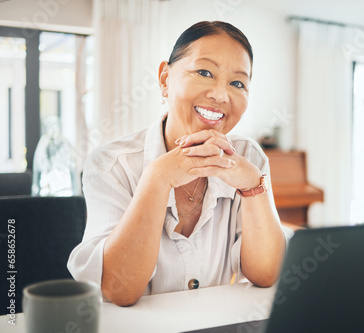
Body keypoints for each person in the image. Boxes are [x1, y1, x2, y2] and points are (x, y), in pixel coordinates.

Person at [68, 21, 293, 306]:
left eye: (237, 83)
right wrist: (157, 178)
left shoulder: (250, 158)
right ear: (164, 79)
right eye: (204, 72)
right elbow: (118, 289)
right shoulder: (111, 165)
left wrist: (252, 187)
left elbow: (266, 273)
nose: (221, 95)